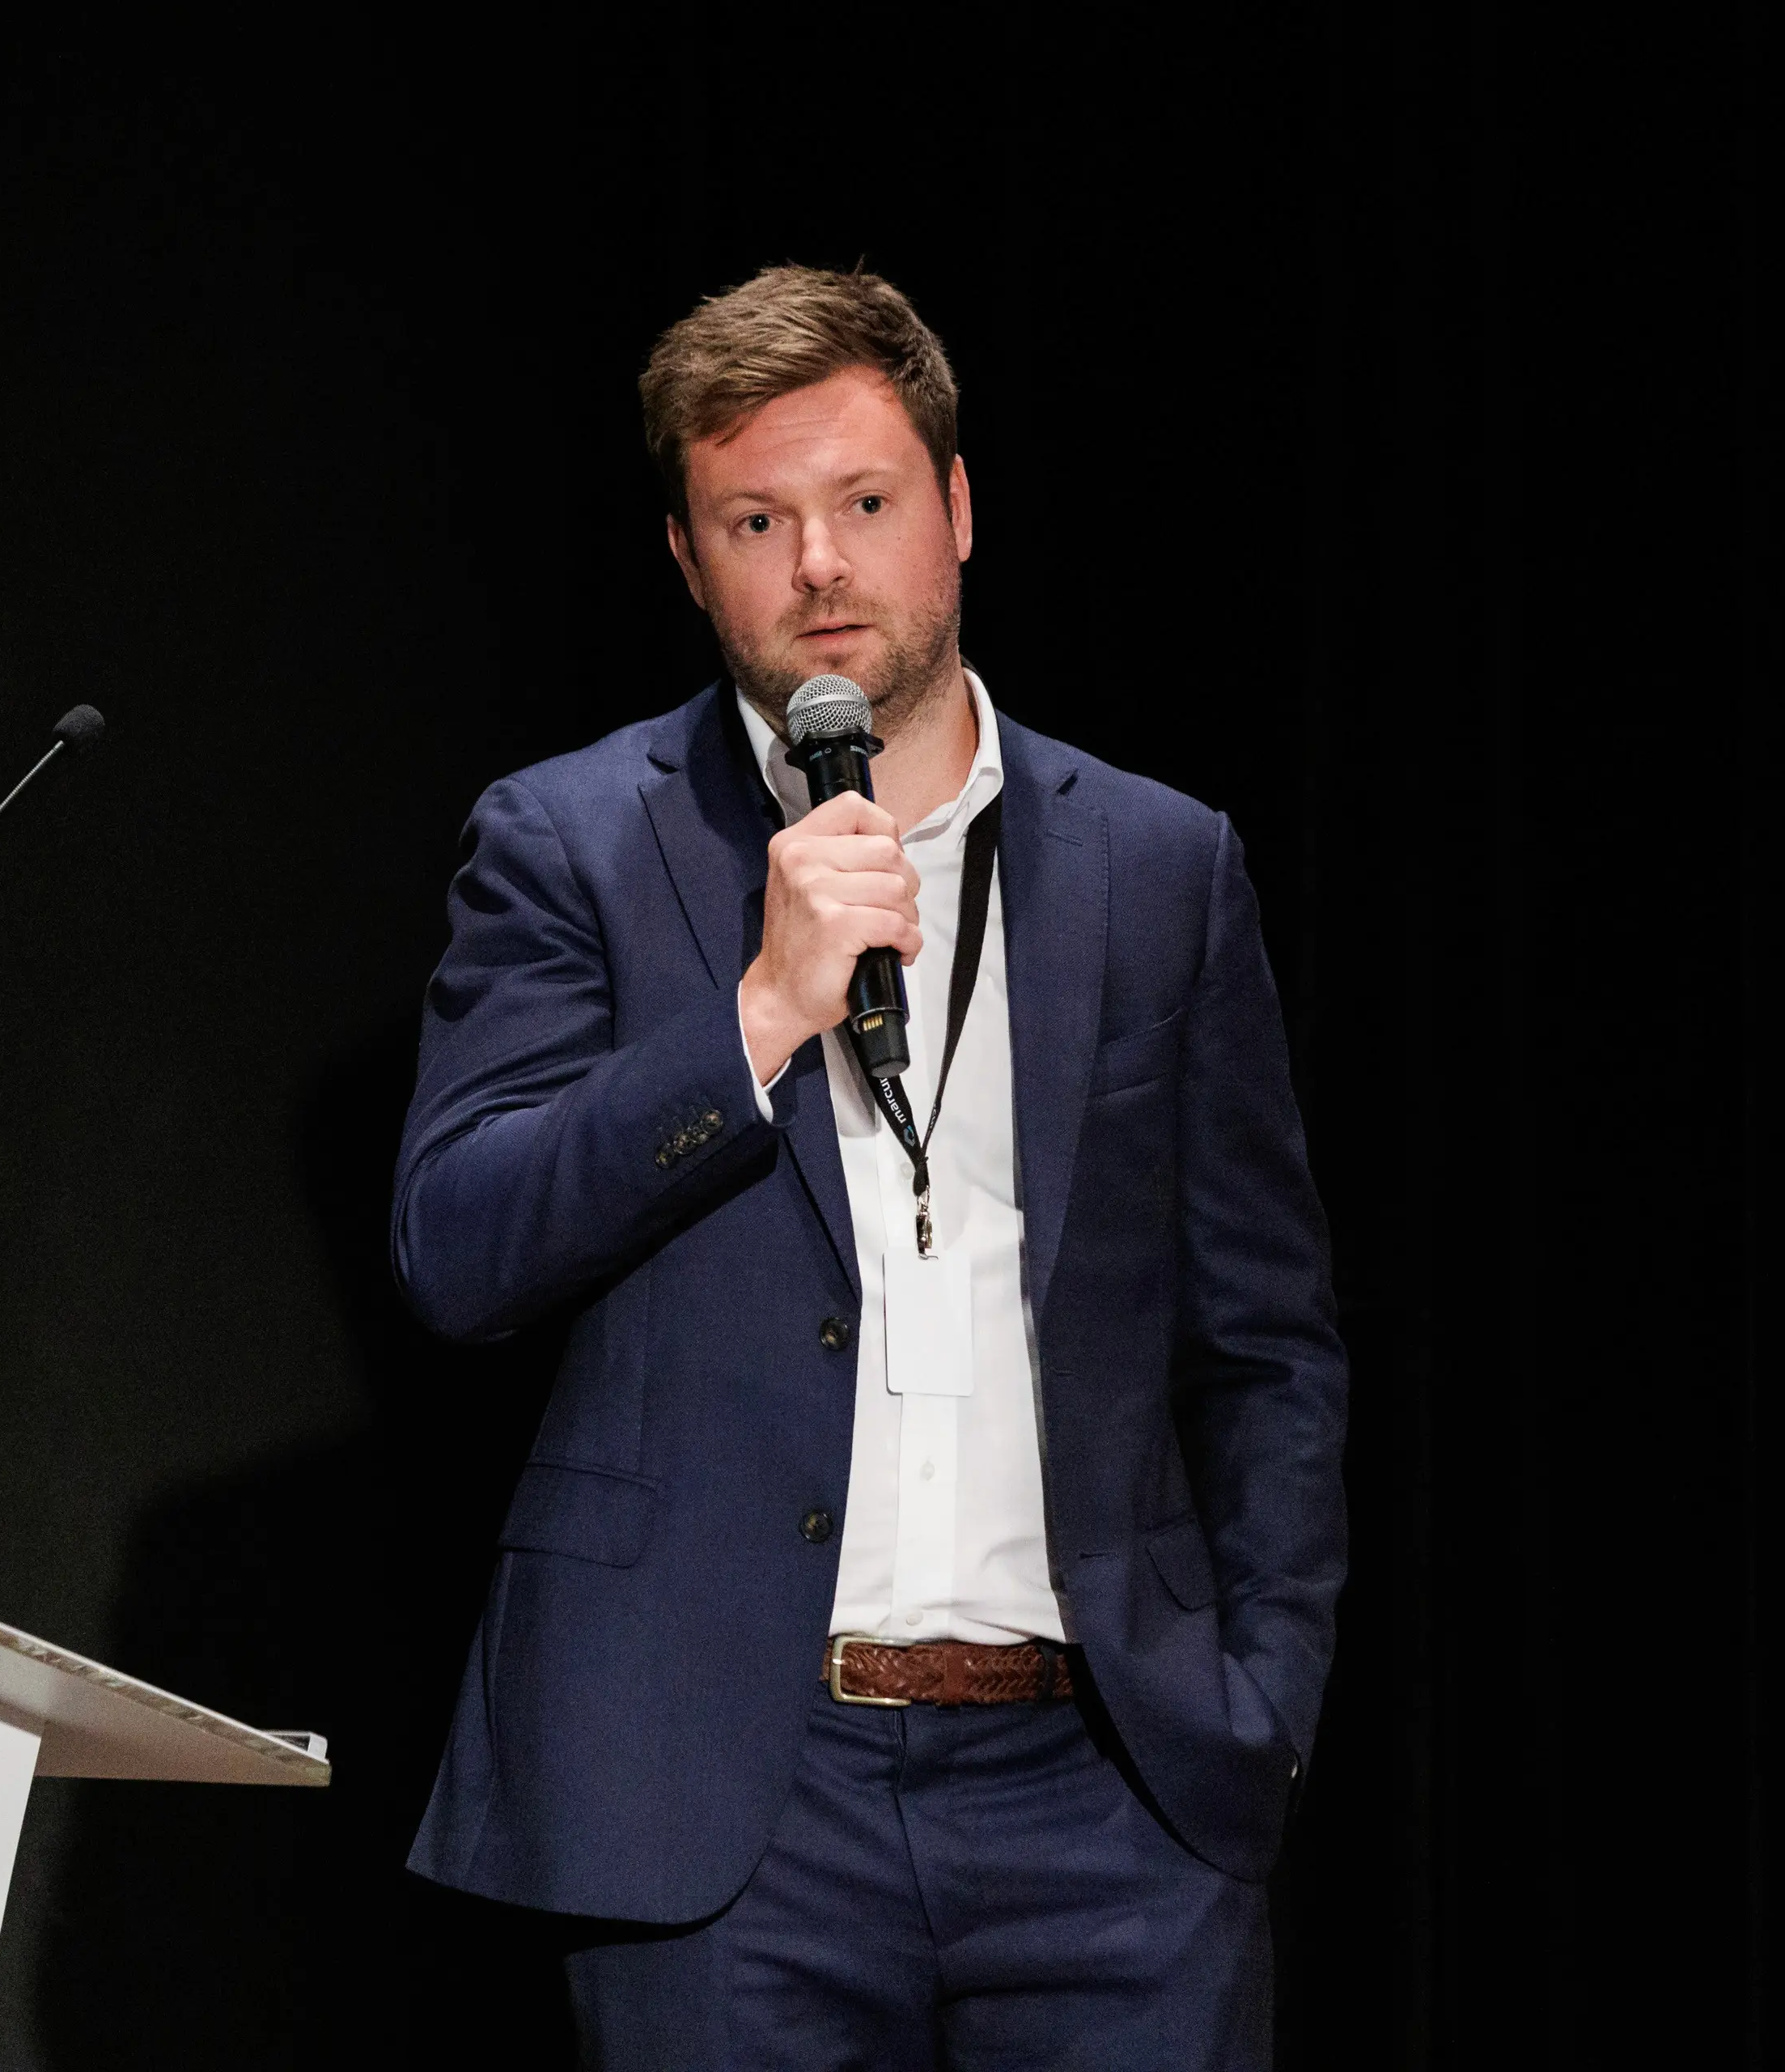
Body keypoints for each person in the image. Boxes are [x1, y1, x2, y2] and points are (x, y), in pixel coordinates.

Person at [391, 265, 1347, 2068]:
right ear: (689, 557)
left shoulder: (1161, 866)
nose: (819, 563)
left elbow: (1269, 1339)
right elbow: (460, 1245)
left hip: (1110, 1796)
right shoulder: (571, 843)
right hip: (732, 1802)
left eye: (866, 503)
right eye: (758, 518)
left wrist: (1260, 1701)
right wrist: (752, 1012)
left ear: (960, 512)